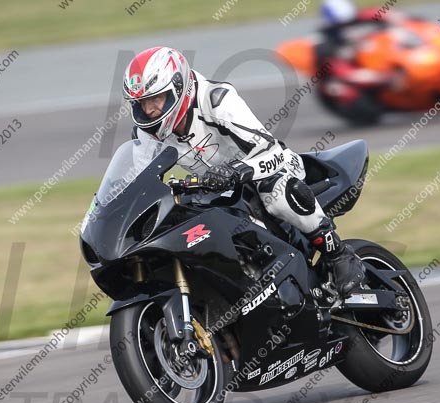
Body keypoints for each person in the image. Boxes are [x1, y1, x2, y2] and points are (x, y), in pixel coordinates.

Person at [123, 46, 364, 298]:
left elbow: (271, 151)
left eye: (156, 100)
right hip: (214, 189)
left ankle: (338, 254)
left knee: (276, 191)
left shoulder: (217, 101)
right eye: (141, 103)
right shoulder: (145, 133)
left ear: (179, 88)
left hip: (269, 167)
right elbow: (140, 181)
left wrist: (237, 172)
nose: (149, 111)